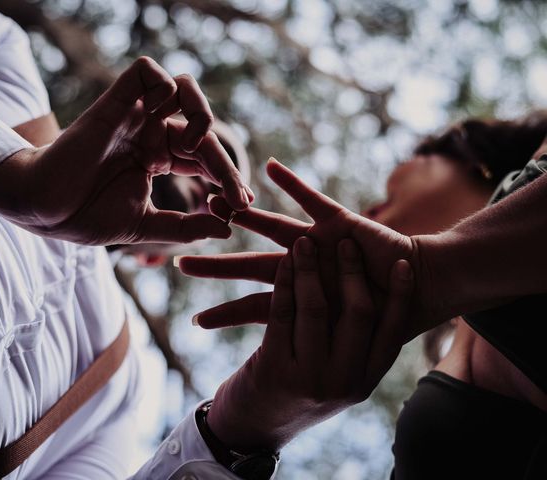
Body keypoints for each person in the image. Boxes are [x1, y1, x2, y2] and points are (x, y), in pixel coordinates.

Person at [0, 1, 283, 479]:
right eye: (196, 153)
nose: (202, 183)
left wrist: (252, 425)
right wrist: (7, 174)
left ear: (151, 259)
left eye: (218, 199)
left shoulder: (123, 388)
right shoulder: (4, 59)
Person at [179, 114, 547, 478]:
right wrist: (251, 424)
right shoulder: (445, 358)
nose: (369, 212)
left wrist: (432, 269)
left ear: (476, 160)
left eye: (388, 193)